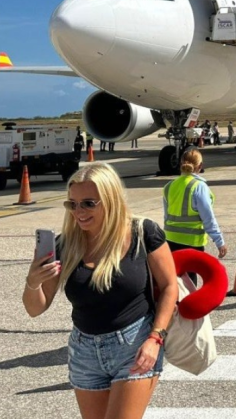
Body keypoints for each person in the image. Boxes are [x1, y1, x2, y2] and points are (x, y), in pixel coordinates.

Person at [23, 163, 178, 419]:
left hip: (135, 344)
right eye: (72, 204)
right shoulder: (65, 245)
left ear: (110, 200)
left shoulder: (143, 233)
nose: (78, 212)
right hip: (84, 352)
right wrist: (32, 282)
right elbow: (35, 308)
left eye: (88, 203)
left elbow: (170, 286)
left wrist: (155, 339)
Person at [162, 149, 228, 285]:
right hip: (191, 241)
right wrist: (219, 241)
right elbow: (208, 218)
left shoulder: (169, 186)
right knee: (189, 283)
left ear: (180, 163)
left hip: (170, 240)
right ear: (200, 166)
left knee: (175, 281)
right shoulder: (199, 187)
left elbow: (166, 216)